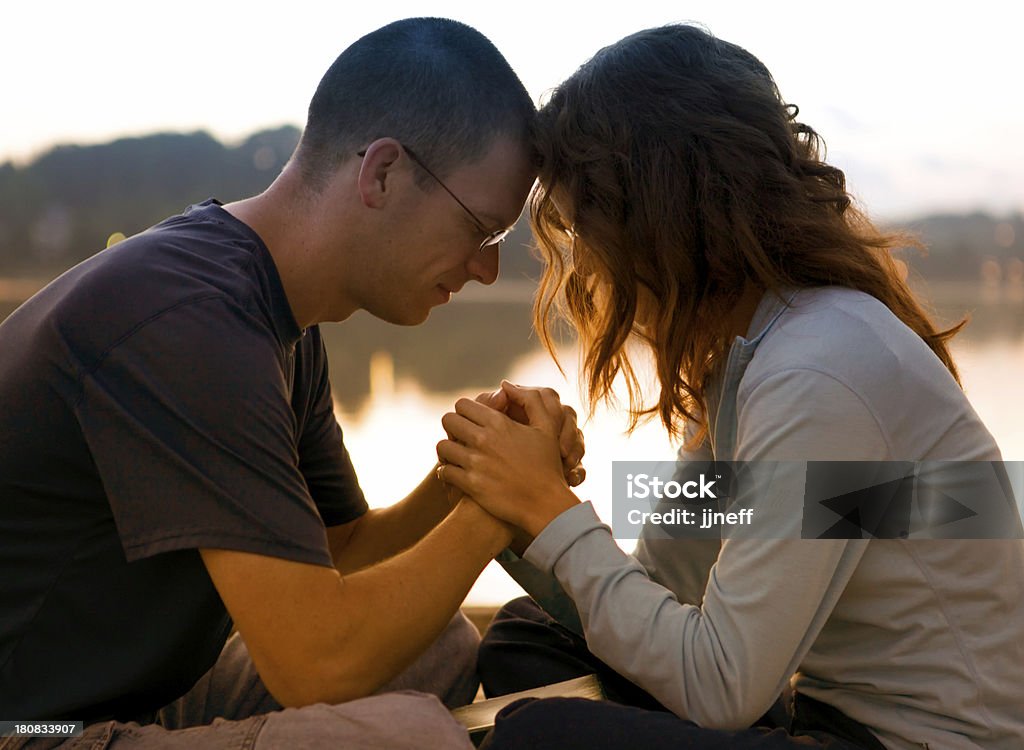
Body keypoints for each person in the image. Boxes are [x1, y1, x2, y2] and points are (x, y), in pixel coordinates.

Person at [0, 18, 586, 750]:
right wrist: (503, 506)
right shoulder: (189, 322)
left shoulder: (280, 320)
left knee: (432, 651)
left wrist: (466, 478)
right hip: (25, 724)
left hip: (116, 698)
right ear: (381, 173)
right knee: (402, 738)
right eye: (483, 230)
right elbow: (320, 662)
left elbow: (338, 551)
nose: (487, 270)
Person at [435, 23, 1024, 750]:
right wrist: (516, 502)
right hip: (818, 718)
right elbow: (664, 587)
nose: (584, 269)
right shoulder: (749, 363)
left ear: (653, 216)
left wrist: (552, 512)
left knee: (542, 736)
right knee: (534, 636)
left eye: (585, 230)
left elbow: (720, 688)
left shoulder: (819, 370)